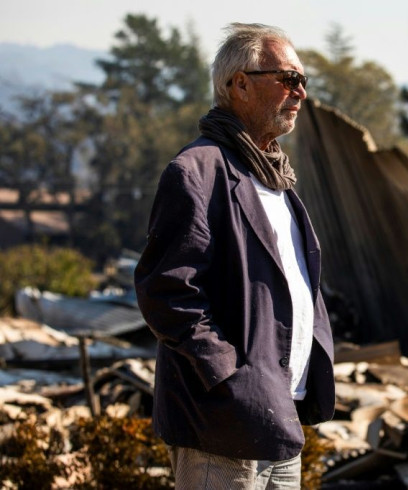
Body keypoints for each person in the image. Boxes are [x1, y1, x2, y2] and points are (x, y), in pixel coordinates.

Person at [134, 23, 335, 489]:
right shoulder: (196, 171)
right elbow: (166, 292)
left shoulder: (274, 177)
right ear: (239, 84)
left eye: (304, 81)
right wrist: (228, 376)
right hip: (221, 424)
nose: (300, 93)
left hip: (279, 418)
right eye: (287, 79)